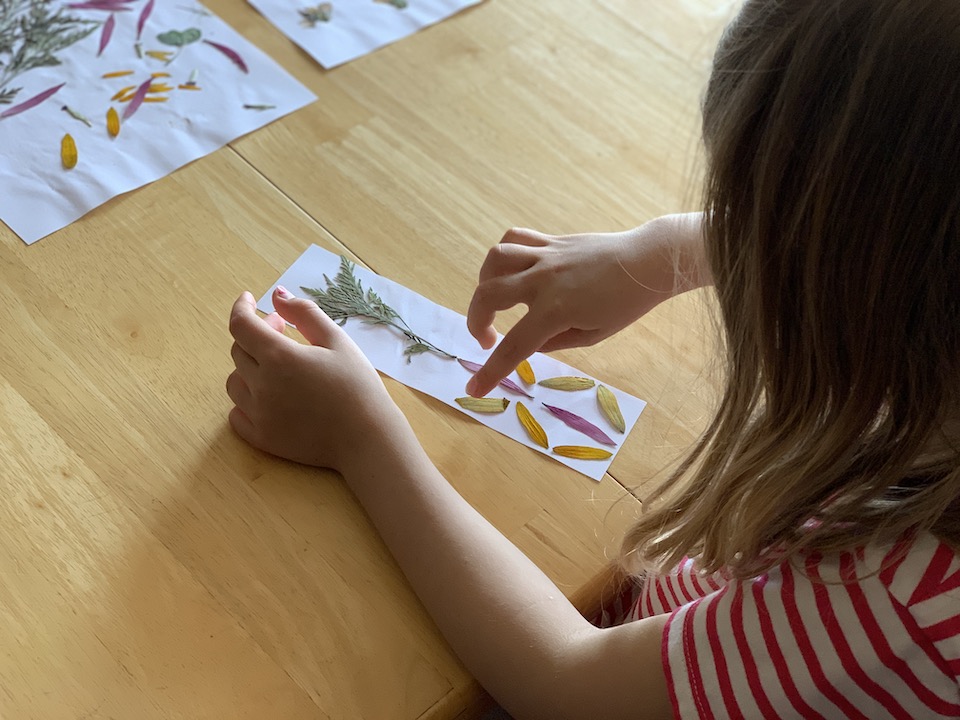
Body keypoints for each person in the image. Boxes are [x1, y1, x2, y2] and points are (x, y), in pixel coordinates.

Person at [225, 0, 960, 716]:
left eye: (755, 224)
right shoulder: (931, 385)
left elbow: (563, 683)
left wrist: (361, 437)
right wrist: (670, 247)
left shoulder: (895, 599)